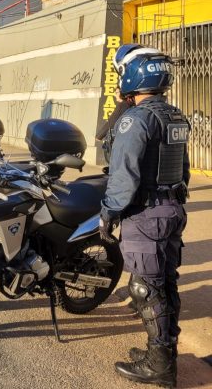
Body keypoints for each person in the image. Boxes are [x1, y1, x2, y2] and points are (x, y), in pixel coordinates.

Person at [99, 44, 189, 388]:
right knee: (165, 283)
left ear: (134, 76)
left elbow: (124, 177)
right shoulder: (174, 115)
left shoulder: (135, 120)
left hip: (146, 213)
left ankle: (160, 365)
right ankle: (163, 352)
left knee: (145, 288)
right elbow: (182, 170)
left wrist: (108, 213)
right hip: (171, 208)